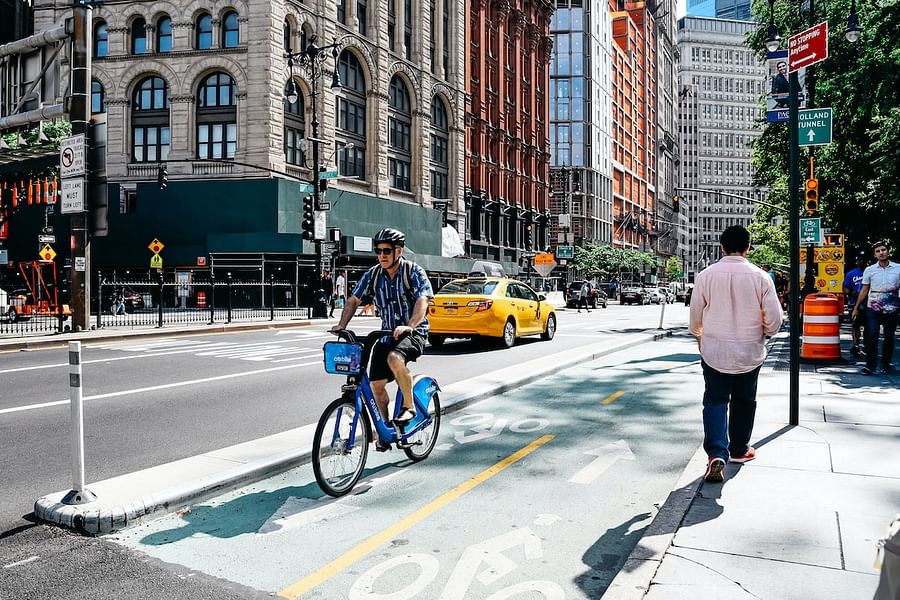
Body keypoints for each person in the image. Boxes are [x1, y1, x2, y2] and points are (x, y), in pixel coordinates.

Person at [689, 225, 783, 483]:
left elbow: (696, 316)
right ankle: (739, 449)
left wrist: (699, 335)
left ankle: (716, 454)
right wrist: (765, 332)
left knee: (715, 401)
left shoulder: (706, 275)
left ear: (721, 247)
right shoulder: (761, 277)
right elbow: (774, 320)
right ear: (748, 247)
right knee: (745, 401)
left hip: (715, 350)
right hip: (749, 351)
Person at [330, 228, 434, 447]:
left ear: (399, 251)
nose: (382, 255)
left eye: (387, 250)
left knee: (395, 359)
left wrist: (410, 325)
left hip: (414, 332)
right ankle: (386, 430)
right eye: (378, 251)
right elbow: (353, 301)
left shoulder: (413, 272)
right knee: (376, 385)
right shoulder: (374, 274)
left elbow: (422, 301)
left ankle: (409, 406)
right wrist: (341, 325)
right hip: (386, 335)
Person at [852, 241, 900, 375]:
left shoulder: (898, 268)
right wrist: (856, 307)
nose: (881, 253)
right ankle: (870, 366)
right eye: (878, 251)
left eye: (883, 250)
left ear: (888, 251)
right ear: (875, 255)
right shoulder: (870, 270)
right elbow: (864, 289)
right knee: (872, 335)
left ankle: (886, 364)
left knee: (889, 337)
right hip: (873, 306)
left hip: (892, 306)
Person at [843, 255, 867, 355]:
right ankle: (856, 344)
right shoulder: (851, 274)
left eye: (863, 260)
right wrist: (853, 293)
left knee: (869, 325)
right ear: (856, 262)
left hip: (869, 303)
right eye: (859, 260)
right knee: (855, 324)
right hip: (854, 303)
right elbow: (845, 288)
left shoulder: (870, 272)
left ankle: (866, 345)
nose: (861, 262)